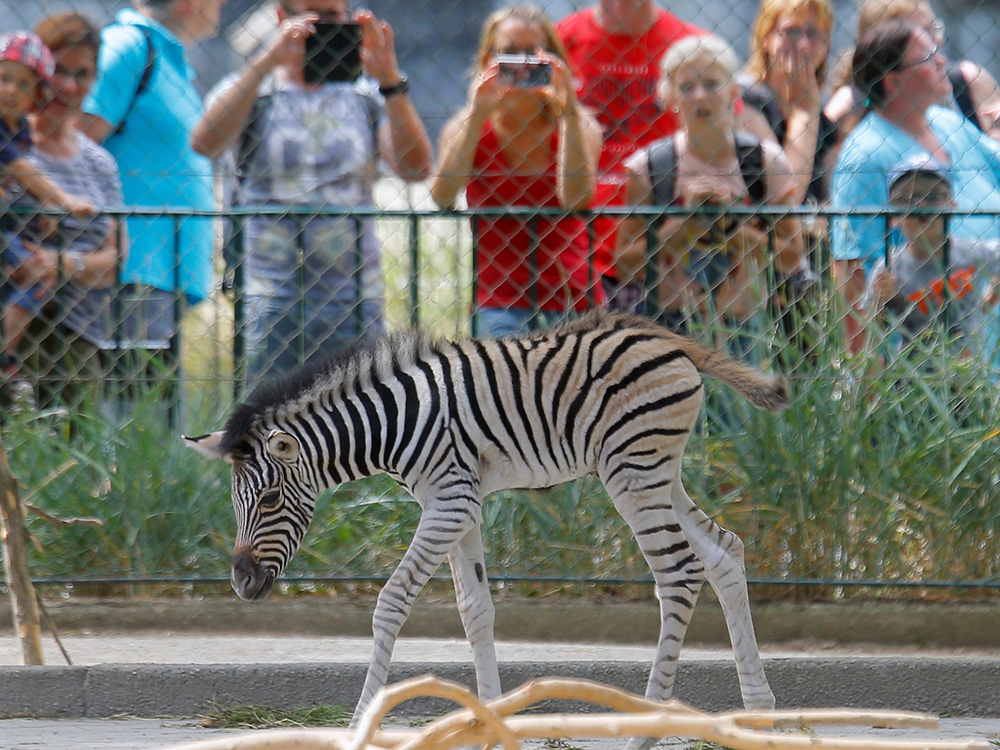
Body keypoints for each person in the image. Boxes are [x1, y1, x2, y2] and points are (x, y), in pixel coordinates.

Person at [191, 0, 432, 379]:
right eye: (311, 15)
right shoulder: (253, 90)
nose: (322, 26)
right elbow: (205, 143)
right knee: (267, 416)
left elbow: (415, 169)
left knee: (357, 416)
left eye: (334, 16)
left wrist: (390, 80)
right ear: (282, 18)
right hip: (269, 293)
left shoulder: (366, 96)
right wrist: (267, 62)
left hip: (353, 294)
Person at [615, 34, 802, 356]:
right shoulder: (651, 167)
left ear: (733, 92)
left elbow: (792, 256)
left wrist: (731, 225)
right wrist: (687, 223)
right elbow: (625, 265)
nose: (700, 96)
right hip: (669, 325)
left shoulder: (765, 162)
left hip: (746, 329)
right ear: (670, 98)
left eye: (711, 84)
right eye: (687, 88)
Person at [429, 4, 603, 337]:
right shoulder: (466, 126)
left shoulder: (578, 124)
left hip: (571, 296)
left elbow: (576, 199)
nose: (522, 65)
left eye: (532, 53)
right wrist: (477, 113)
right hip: (497, 299)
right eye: (509, 54)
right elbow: (442, 195)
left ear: (553, 59)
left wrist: (567, 114)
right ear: (487, 61)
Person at [829, 20, 1000, 354]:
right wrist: (870, 377)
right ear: (893, 81)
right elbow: (853, 273)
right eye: (927, 58)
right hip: (930, 357)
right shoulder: (864, 158)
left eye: (938, 52)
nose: (942, 62)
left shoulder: (946, 121)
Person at [79, 0, 224, 348]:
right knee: (128, 394)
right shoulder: (128, 46)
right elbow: (78, 138)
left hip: (161, 269)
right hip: (131, 264)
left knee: (153, 394)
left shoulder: (167, 55)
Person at [556, 0, 713, 314]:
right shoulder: (562, 41)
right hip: (572, 250)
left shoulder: (692, 46)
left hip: (664, 252)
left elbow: (722, 136)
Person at [4, 14, 127, 411]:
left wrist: (60, 264)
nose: (68, 86)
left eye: (83, 74)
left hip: (80, 339)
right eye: (58, 70)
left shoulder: (100, 164)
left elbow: (115, 262)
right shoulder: (11, 147)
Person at [0, 31, 96, 403]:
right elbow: (23, 172)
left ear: (37, 94)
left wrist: (40, 214)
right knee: (30, 276)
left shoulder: (19, 129)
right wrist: (62, 201)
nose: (10, 91)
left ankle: (7, 352)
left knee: (35, 281)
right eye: (4, 79)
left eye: (22, 84)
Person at [863, 156, 1000, 366]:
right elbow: (873, 333)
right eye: (906, 200)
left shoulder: (972, 252)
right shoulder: (890, 267)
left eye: (933, 196)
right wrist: (881, 302)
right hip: (912, 382)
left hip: (969, 379)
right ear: (893, 217)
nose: (921, 206)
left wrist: (984, 306)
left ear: (953, 207)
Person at [825, 0, 1000, 143]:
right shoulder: (853, 103)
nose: (937, 41)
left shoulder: (968, 80)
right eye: (922, 34)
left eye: (935, 28)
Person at [737, 0, 837, 206]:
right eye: (791, 32)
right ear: (766, 38)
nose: (802, 45)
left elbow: (836, 202)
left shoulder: (825, 121)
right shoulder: (744, 99)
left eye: (814, 34)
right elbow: (786, 199)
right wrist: (804, 113)